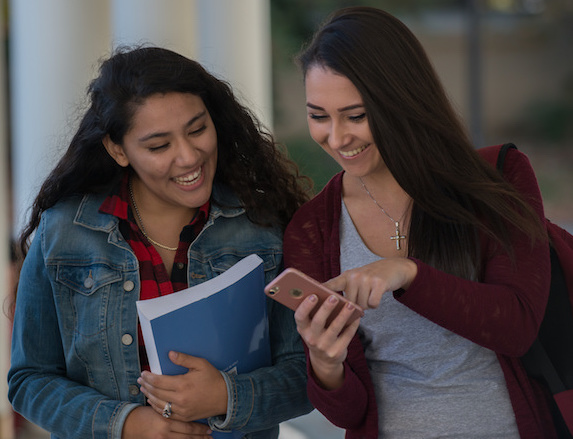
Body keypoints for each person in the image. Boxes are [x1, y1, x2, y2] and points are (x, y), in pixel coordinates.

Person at [8, 46, 313, 439]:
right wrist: (126, 424)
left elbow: (308, 375)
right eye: (158, 146)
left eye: (197, 129)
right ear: (118, 150)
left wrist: (227, 395)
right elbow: (30, 380)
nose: (188, 157)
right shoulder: (63, 231)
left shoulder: (264, 226)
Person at [283, 6, 557, 439]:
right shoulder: (311, 228)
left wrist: (407, 273)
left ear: (401, 99)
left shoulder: (499, 177)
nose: (336, 139)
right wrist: (325, 363)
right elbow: (347, 413)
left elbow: (517, 326)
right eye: (319, 116)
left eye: (355, 116)